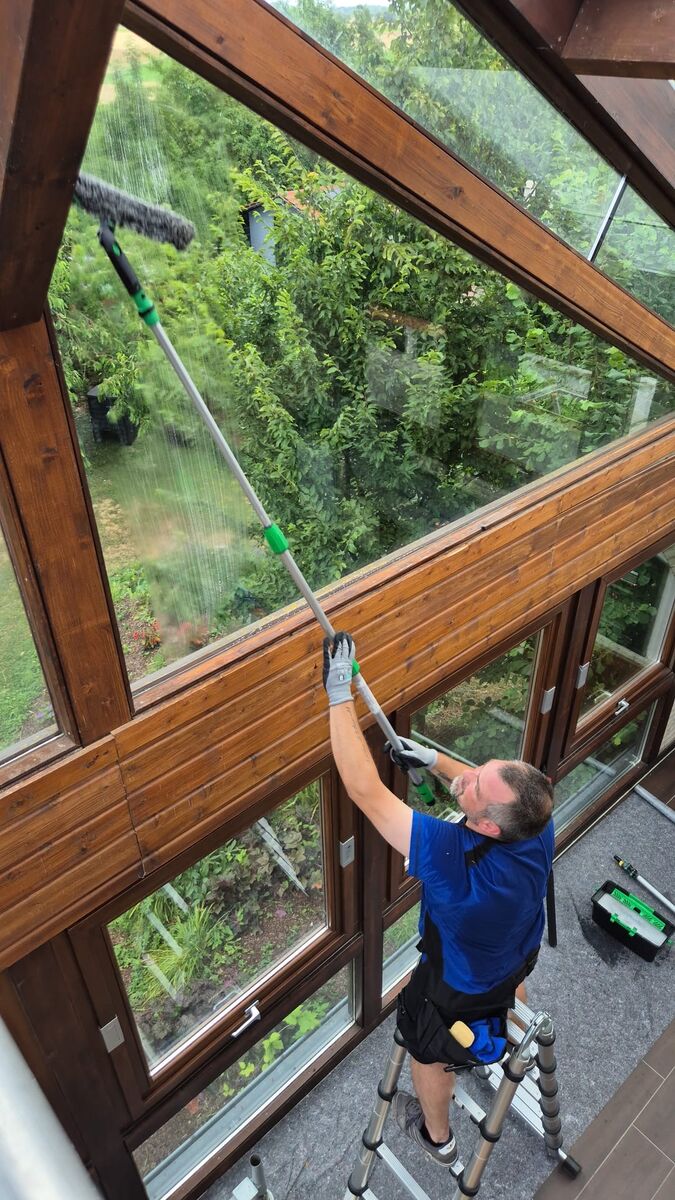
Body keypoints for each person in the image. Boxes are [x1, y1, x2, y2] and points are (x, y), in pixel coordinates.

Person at [322, 632, 554, 1167]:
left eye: (473, 788)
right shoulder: (535, 820)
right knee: (504, 979)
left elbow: (365, 792)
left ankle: (438, 1139)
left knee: (428, 1049)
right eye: (480, 769)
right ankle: (498, 1026)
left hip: (461, 986)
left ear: (486, 827)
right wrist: (434, 761)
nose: (465, 775)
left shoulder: (458, 861)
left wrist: (339, 695)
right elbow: (481, 785)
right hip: (519, 949)